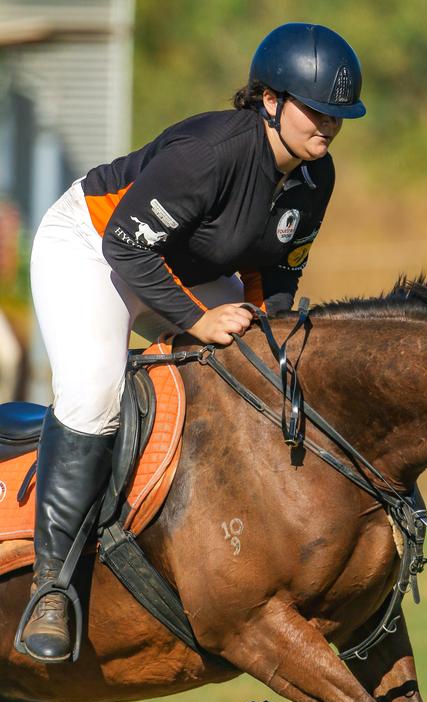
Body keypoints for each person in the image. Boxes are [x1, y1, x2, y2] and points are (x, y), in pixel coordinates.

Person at [23, 22, 366, 663]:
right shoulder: (211, 152)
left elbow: (277, 278)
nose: (328, 125)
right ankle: (52, 588)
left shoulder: (315, 178)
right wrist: (198, 320)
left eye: (339, 115)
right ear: (270, 101)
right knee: (95, 392)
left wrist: (275, 348)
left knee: (261, 365)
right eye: (316, 110)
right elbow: (124, 244)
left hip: (172, 261)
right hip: (91, 248)